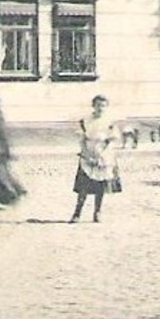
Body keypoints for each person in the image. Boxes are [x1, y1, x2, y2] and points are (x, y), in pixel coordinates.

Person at [70, 94, 121, 223]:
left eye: (103, 105)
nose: (100, 108)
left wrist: (102, 156)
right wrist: (87, 155)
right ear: (93, 106)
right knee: (84, 186)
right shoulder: (85, 121)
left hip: (104, 154)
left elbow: (112, 140)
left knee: (100, 186)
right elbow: (81, 140)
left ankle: (97, 212)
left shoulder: (110, 121)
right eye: (98, 105)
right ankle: (77, 213)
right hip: (88, 153)